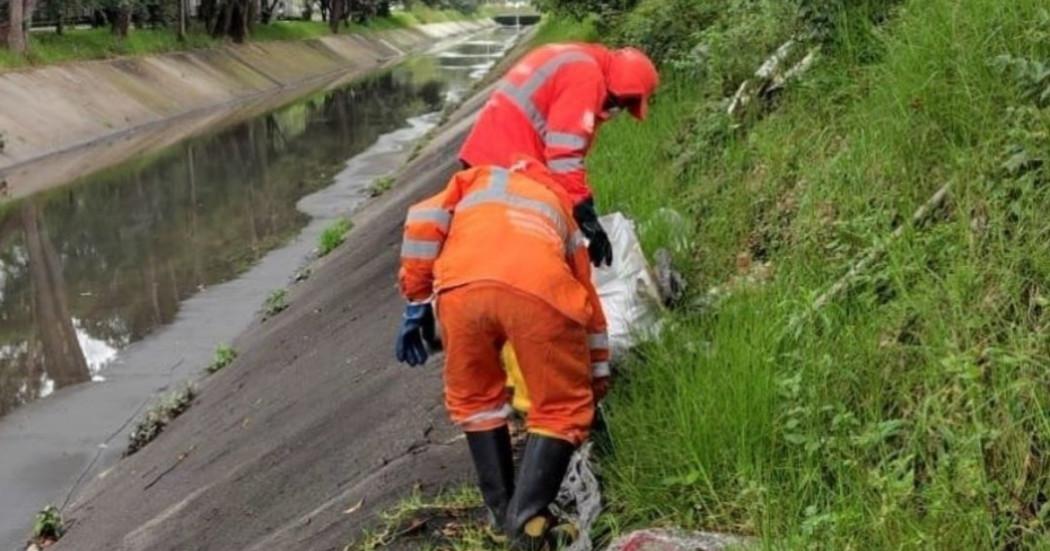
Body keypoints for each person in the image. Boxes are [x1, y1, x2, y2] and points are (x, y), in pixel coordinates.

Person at [394, 158, 611, 549]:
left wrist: (416, 296)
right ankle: (525, 521)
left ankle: (499, 515)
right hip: (537, 291)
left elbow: (422, 220)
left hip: (462, 292)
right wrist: (596, 378)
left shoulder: (475, 182)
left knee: (475, 401)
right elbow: (587, 306)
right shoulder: (557, 205)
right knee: (561, 408)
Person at [459, 42, 659, 268]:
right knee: (515, 258)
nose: (616, 110)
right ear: (619, 87)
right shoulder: (587, 78)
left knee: (491, 252)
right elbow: (564, 158)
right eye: (621, 102)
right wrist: (586, 217)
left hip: (490, 155)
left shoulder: (579, 59)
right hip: (505, 167)